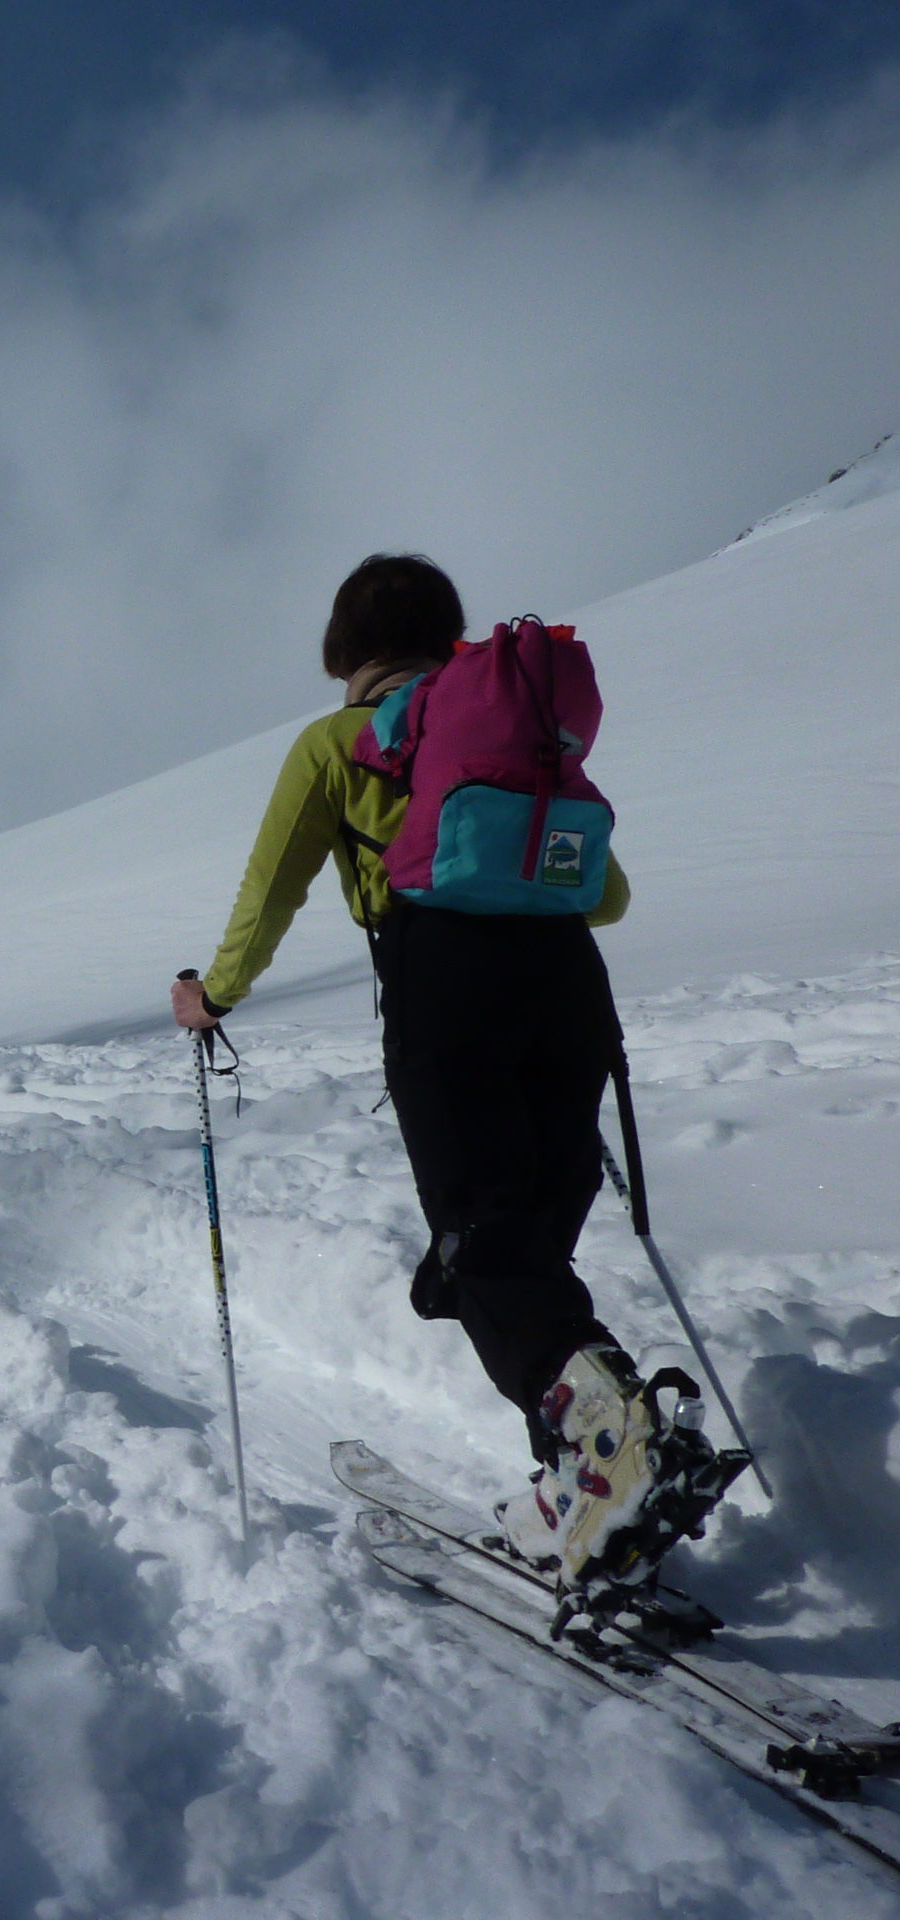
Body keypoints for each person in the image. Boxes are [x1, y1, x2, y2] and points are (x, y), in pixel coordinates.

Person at [171, 552, 723, 1596]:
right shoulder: (515, 735)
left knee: (482, 1250)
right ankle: (583, 1477)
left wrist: (216, 994)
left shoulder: (335, 744)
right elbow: (604, 895)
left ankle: (607, 1442)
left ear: (347, 652)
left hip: (444, 988)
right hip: (568, 989)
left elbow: (270, 891)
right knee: (522, 1242)